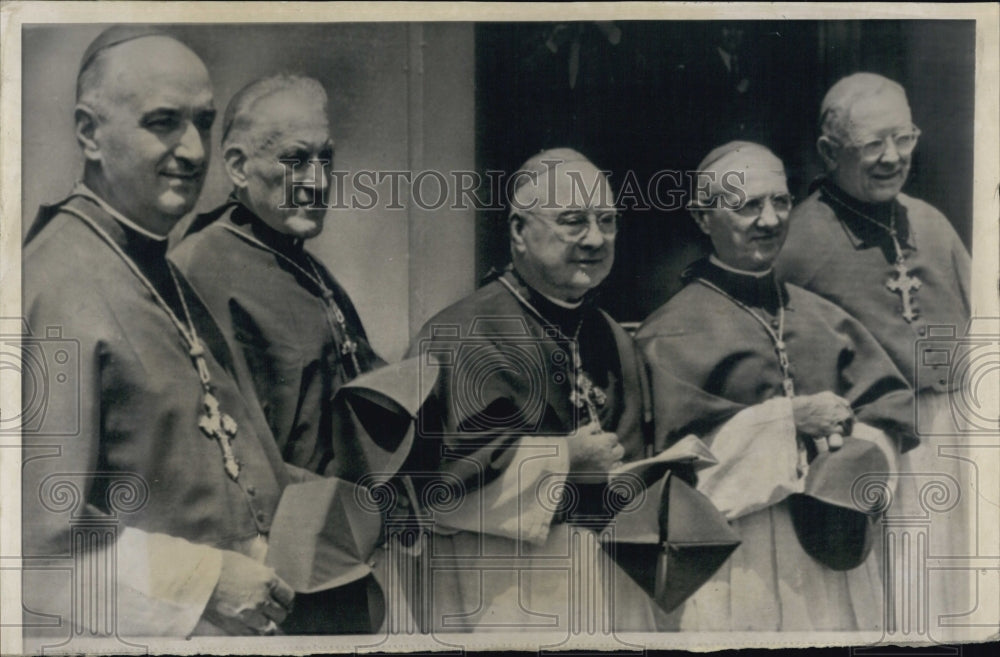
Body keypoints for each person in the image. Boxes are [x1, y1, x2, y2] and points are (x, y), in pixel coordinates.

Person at [21, 28, 300, 641]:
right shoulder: (50, 285)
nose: (195, 149)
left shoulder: (164, 272)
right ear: (90, 133)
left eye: (204, 121)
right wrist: (204, 580)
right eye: (163, 122)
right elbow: (28, 545)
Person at [405, 148, 718, 633]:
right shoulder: (460, 335)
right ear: (518, 231)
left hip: (613, 585)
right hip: (507, 591)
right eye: (573, 221)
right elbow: (432, 490)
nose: (595, 239)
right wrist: (561, 458)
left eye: (607, 221)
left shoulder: (610, 334)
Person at [636, 142, 917, 631]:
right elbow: (670, 474)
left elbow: (887, 410)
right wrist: (788, 423)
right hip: (738, 560)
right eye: (747, 206)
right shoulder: (670, 332)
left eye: (781, 202)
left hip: (834, 549)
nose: (769, 220)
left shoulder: (824, 316)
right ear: (703, 219)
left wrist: (856, 458)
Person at [172, 75, 398, 634]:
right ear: (238, 166)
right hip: (269, 574)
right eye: (295, 159)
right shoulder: (201, 269)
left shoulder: (301, 262)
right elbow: (218, 451)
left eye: (327, 158)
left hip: (340, 548)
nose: (317, 181)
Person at [773, 73, 973, 626]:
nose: (892, 158)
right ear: (828, 152)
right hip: (869, 450)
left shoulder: (930, 223)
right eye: (871, 146)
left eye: (903, 139)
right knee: (889, 604)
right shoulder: (797, 242)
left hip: (955, 440)